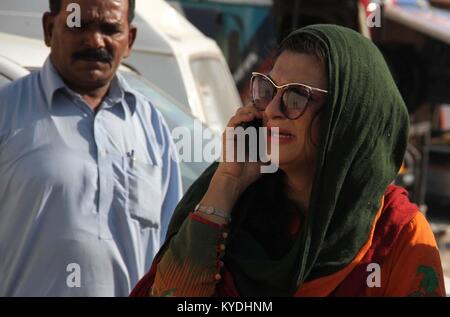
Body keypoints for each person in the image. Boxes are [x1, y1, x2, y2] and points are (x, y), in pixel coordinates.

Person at [130, 24, 446, 297]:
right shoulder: (241, 203)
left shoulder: (397, 234)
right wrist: (226, 183)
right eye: (267, 90)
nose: (272, 110)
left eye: (296, 96)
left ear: (348, 118)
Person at [0, 0, 182, 296]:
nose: (95, 40)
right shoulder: (7, 112)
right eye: (78, 25)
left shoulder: (152, 128)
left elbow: (172, 251)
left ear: (130, 40)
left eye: (110, 29)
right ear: (49, 29)